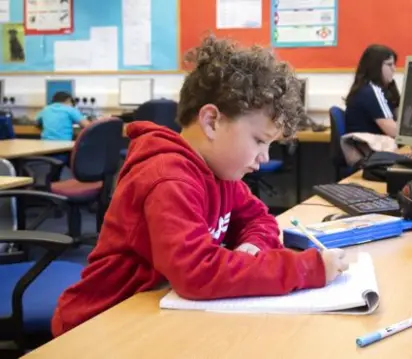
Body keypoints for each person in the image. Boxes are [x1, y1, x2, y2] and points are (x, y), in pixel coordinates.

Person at [51, 35, 349, 336]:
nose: (265, 156)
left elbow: (260, 218)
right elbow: (198, 273)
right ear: (211, 121)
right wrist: (308, 269)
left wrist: (253, 247)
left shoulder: (221, 174)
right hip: (99, 324)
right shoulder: (169, 178)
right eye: (259, 140)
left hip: (155, 313)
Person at [344, 44, 400, 137]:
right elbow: (394, 131)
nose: (394, 69)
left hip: (369, 149)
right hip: (372, 150)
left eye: (394, 64)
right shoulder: (371, 92)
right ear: (375, 66)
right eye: (389, 64)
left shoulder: (365, 88)